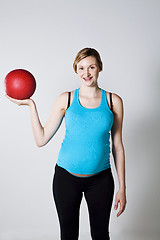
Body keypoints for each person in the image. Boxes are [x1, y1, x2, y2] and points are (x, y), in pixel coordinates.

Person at [6, 47, 127, 240]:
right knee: (68, 236)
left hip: (101, 180)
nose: (86, 73)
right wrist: (31, 106)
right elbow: (41, 139)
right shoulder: (67, 99)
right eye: (81, 68)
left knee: (101, 235)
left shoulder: (114, 101)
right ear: (76, 70)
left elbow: (118, 146)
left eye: (91, 67)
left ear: (99, 68)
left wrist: (122, 187)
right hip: (66, 179)